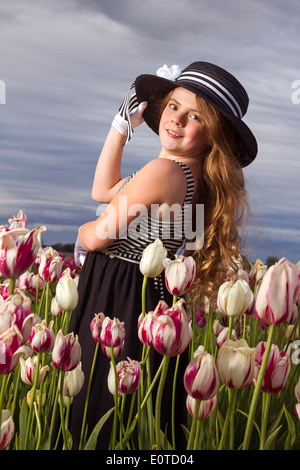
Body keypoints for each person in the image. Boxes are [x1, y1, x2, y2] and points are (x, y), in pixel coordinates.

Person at [67, 61, 258, 450]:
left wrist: (82, 233)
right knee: (139, 419)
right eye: (173, 106)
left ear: (212, 135)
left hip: (118, 296)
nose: (177, 120)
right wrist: (122, 126)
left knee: (96, 413)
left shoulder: (162, 173)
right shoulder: (190, 177)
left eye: (195, 117)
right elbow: (103, 190)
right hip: (149, 299)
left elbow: (98, 236)